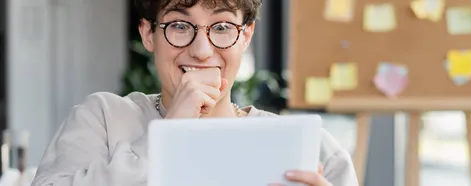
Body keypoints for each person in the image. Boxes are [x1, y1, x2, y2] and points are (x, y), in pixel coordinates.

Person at [31, 0, 358, 185]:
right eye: (179, 25)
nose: (202, 50)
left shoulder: (314, 150)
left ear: (246, 36)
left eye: (221, 27)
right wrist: (169, 134)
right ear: (148, 34)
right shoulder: (102, 119)